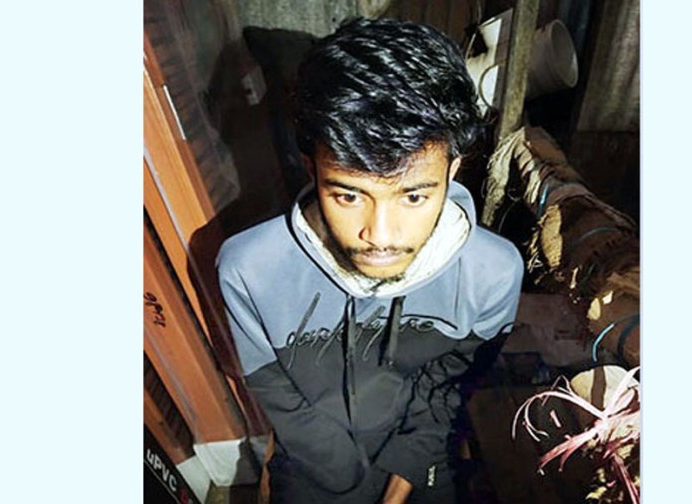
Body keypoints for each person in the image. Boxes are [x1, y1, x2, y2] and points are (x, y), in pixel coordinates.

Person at [217, 17, 523, 503]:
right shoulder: (248, 269)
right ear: (312, 169)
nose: (379, 236)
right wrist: (342, 477)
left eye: (414, 197)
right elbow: (272, 386)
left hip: (421, 445)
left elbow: (449, 387)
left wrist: (403, 477)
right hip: (312, 457)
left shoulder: (493, 273)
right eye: (348, 196)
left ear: (452, 170)